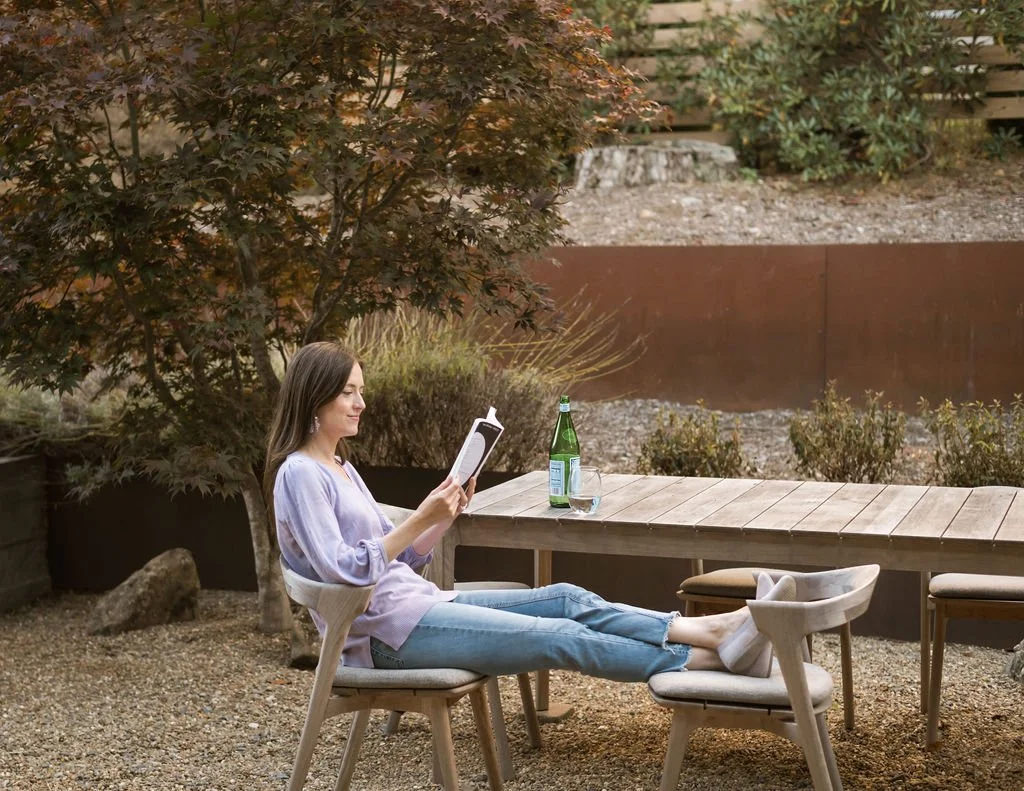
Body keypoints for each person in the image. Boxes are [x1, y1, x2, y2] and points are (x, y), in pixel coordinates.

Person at [265, 341, 794, 682]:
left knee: (566, 598)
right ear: (316, 399)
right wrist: (421, 517)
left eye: (361, 391)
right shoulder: (300, 474)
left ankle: (715, 633)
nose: (361, 403)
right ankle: (713, 659)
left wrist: (443, 514)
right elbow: (344, 573)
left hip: (416, 606)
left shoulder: (341, 467)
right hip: (383, 638)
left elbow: (400, 564)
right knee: (560, 639)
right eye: (349, 393)